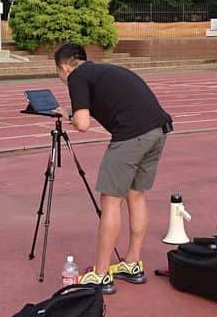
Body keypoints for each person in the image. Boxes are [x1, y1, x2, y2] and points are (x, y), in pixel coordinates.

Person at [55, 43, 172, 294]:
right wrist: (71, 111)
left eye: (59, 75)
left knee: (110, 201)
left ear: (64, 67)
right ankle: (131, 263)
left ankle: (100, 273)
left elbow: (83, 124)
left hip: (131, 136)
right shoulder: (102, 72)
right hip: (158, 130)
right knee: (136, 195)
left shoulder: (76, 76)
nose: (63, 80)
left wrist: (71, 116)